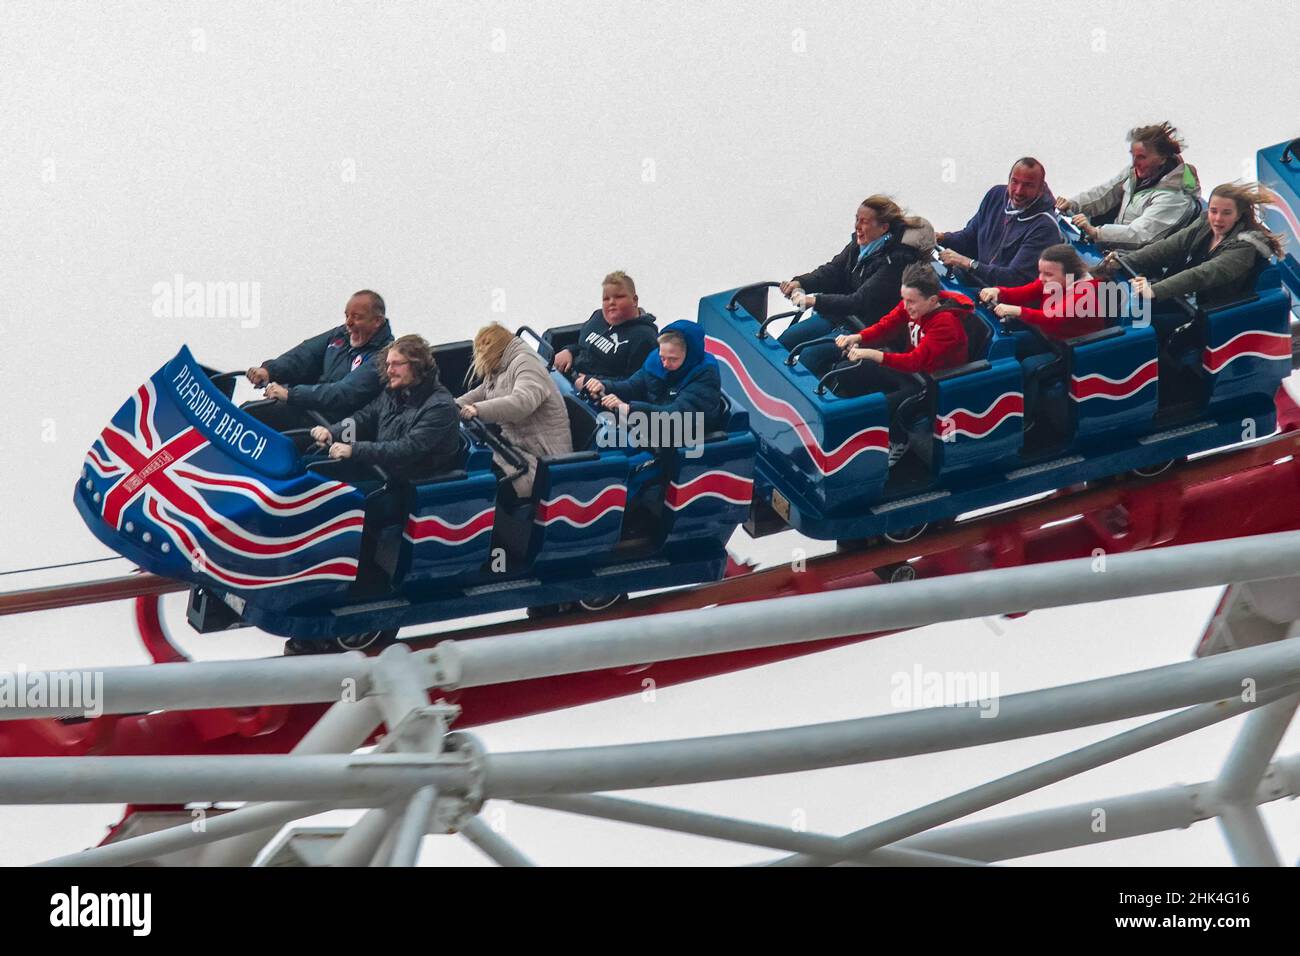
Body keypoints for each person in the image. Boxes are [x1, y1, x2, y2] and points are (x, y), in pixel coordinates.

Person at [826, 264, 972, 466]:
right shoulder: (913, 306)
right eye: (904, 299)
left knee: (880, 407)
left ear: (931, 300)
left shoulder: (945, 324)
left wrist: (871, 353)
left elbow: (914, 361)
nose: (906, 305)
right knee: (845, 371)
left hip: (929, 385)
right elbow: (886, 324)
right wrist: (858, 337)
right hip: (908, 371)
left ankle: (898, 440)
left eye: (911, 301)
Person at [777, 195, 936, 378]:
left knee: (810, 355)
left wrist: (814, 301)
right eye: (857, 220)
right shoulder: (860, 245)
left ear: (883, 228)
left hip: (863, 328)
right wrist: (801, 282)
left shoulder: (895, 263)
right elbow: (833, 270)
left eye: (864, 222)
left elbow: (859, 301)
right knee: (787, 339)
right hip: (839, 317)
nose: (857, 226)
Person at [1101, 182, 1285, 311]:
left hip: (1204, 312)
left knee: (1145, 325)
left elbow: (1203, 274)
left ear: (1238, 215)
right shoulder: (1205, 223)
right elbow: (1169, 247)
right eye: (1214, 211)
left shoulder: (1244, 248)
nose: (1218, 219)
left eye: (1226, 213)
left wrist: (1155, 290)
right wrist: (1124, 262)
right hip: (1180, 297)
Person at [309, 334, 460, 482]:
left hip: (412, 482)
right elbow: (363, 418)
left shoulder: (440, 406)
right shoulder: (393, 394)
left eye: (396, 364)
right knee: (309, 466)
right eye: (388, 365)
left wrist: (354, 450)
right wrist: (332, 432)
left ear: (417, 365)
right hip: (383, 470)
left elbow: (407, 449)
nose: (389, 371)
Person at [458, 323, 573, 497]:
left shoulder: (526, 363)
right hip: (514, 448)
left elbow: (522, 403)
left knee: (481, 486)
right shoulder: (498, 367)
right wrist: (447, 408)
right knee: (471, 467)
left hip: (543, 458)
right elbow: (480, 393)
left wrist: (477, 410)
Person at [248, 290, 395, 423]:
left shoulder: (385, 357)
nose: (348, 323)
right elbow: (304, 355)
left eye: (356, 317)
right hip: (309, 409)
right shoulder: (340, 334)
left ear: (377, 321)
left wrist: (291, 395)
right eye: (347, 315)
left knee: (257, 413)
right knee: (249, 409)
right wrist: (269, 371)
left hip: (339, 427)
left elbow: (345, 393)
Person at [1057, 122, 1202, 249]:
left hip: (1138, 267)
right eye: (1133, 155)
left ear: (1162, 159)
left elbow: (1142, 234)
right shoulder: (1133, 172)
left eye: (1142, 157)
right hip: (1110, 249)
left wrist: (1097, 233)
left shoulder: (1175, 197)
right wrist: (1072, 204)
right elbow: (1103, 195)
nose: (1134, 163)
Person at [586, 321, 727, 437]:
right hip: (652, 427)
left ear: (690, 353)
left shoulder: (705, 374)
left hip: (685, 437)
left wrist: (631, 409)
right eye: (662, 357)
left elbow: (678, 416)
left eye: (673, 359)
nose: (665, 364)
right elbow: (634, 385)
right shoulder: (656, 360)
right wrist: (605, 387)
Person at [936, 158, 1060, 286]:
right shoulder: (996, 195)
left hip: (1002, 298)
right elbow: (969, 238)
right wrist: (941, 238)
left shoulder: (1045, 227)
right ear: (1009, 179)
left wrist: (967, 263)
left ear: (1040, 188)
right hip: (974, 279)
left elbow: (1015, 278)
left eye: (1028, 185)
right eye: (1014, 182)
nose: (1018, 191)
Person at [978, 244, 1107, 347]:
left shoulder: (1084, 294)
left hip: (1070, 348)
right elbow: (1024, 292)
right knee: (1002, 345)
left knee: (1028, 365)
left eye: (1048, 274)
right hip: (1049, 337)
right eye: (1040, 272)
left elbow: (1052, 317)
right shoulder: (1052, 281)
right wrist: (998, 292)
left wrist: (1017, 310)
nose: (1041, 278)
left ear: (1069, 274)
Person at [554, 271, 660, 383]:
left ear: (634, 300)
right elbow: (581, 346)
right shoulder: (597, 316)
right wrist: (569, 351)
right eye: (606, 298)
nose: (611, 302)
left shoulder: (645, 337)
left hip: (594, 394)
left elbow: (636, 384)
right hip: (565, 376)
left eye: (619, 297)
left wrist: (594, 382)